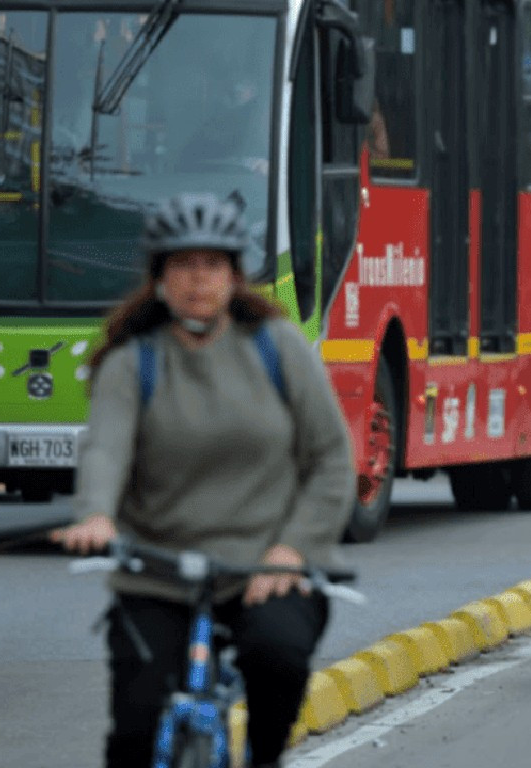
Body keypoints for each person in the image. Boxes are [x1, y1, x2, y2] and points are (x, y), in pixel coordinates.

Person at [50, 193, 354, 768]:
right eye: (182, 265)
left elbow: (331, 459)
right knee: (133, 727)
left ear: (236, 276)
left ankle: (264, 758)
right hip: (156, 569)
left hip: (265, 566)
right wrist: (95, 515)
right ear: (158, 277)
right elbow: (105, 450)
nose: (198, 280)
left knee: (279, 656)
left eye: (212, 265)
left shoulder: (277, 348)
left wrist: (292, 550)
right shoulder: (132, 361)